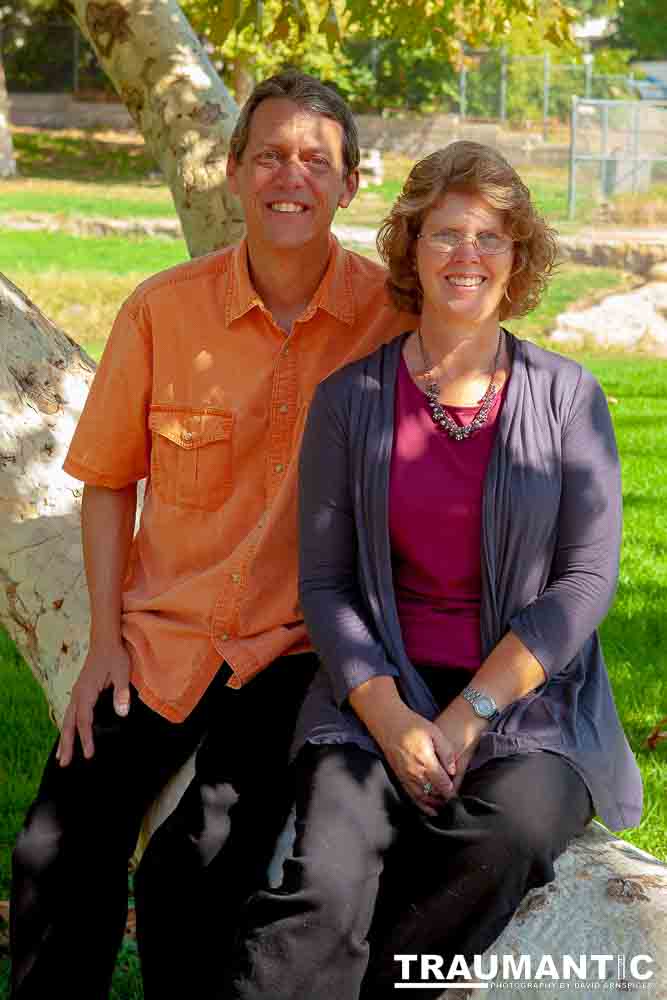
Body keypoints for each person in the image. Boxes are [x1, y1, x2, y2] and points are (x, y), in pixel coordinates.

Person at [9, 71, 413, 1000]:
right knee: (54, 849)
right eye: (269, 154)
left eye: (317, 160)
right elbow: (109, 483)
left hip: (297, 648)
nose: (291, 176)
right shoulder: (161, 309)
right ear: (232, 172)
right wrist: (105, 640)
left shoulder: (393, 320)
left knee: (195, 861)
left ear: (350, 185)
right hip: (164, 636)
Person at [223, 141, 643, 1000]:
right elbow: (329, 583)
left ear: (516, 257)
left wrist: (463, 720)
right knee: (325, 878)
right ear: (410, 248)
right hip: (377, 688)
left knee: (507, 835)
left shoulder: (567, 398)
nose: (467, 256)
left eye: (490, 238)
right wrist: (387, 714)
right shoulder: (352, 400)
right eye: (445, 234)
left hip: (527, 699)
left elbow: (583, 585)